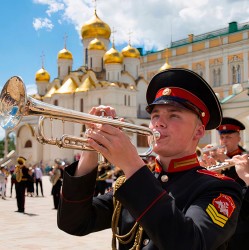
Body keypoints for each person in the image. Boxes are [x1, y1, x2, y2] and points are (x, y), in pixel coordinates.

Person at [57, 68, 242, 249]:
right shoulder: (131, 183)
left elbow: (190, 243)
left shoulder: (220, 189)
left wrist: (132, 165)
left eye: (173, 115)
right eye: (155, 116)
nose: (158, 123)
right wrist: (91, 148)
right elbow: (74, 222)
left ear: (199, 131)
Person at [214, 118, 249, 250]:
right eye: (222, 137)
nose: (224, 141)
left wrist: (228, 162)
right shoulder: (215, 159)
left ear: (238, 138)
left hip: (241, 222)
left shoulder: (246, 158)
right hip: (218, 221)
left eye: (228, 136)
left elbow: (242, 185)